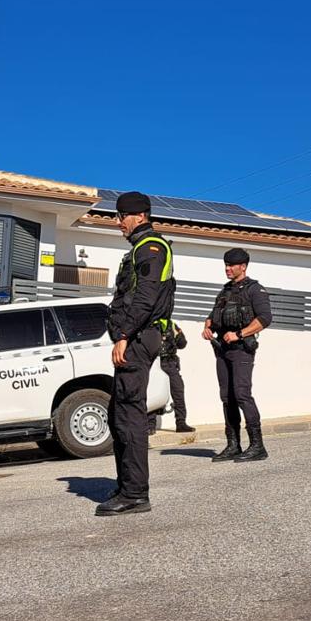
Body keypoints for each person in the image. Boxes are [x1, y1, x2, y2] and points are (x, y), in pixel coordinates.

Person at [99, 191, 175, 517]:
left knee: (130, 415)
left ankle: (135, 493)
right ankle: (127, 484)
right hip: (137, 337)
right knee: (120, 414)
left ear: (140, 216)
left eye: (122, 217)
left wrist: (125, 336)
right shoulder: (138, 250)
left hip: (140, 338)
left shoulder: (152, 248)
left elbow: (144, 298)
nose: (119, 223)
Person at [203, 247, 273, 463]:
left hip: (242, 349)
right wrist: (208, 326)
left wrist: (240, 334)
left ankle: (257, 446)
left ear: (243, 266)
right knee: (227, 397)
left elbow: (265, 318)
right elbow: (214, 315)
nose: (228, 268)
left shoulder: (255, 290)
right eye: (226, 265)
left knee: (242, 394)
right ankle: (233, 445)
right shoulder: (225, 291)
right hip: (223, 350)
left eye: (232, 265)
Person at [148, 320, 194, 435]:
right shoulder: (149, 323)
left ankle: (181, 423)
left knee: (178, 391)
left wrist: (178, 334)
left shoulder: (171, 324)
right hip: (155, 362)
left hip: (170, 362)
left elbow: (182, 344)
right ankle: (150, 425)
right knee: (153, 391)